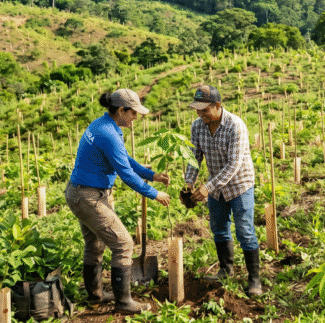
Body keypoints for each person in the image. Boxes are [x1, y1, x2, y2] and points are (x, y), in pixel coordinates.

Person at [65, 89, 171, 314]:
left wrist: (151, 175)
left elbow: (123, 158)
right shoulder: (108, 134)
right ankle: (124, 302)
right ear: (121, 110)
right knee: (123, 243)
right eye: (133, 113)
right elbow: (126, 173)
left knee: (95, 245)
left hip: (79, 192)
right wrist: (154, 193)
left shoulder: (102, 125)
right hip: (88, 196)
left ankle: (95, 295)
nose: (136, 117)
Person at [184, 84, 262, 296]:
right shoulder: (197, 126)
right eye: (197, 109)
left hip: (239, 185)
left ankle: (254, 279)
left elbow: (234, 164)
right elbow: (194, 158)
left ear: (217, 106)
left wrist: (207, 187)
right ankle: (225, 270)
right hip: (216, 188)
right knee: (219, 228)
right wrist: (189, 183)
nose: (200, 114)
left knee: (245, 231)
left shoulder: (235, 125)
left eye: (204, 109)